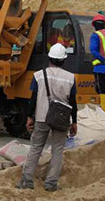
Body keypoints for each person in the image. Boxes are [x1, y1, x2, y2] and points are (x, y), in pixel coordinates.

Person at [17, 43, 77, 192]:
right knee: (57, 150)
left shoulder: (38, 75)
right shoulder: (70, 78)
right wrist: (74, 122)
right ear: (64, 60)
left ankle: (27, 181)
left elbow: (33, 99)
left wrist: (30, 117)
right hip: (61, 119)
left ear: (49, 58)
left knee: (36, 148)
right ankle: (51, 183)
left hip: (42, 116)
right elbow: (73, 103)